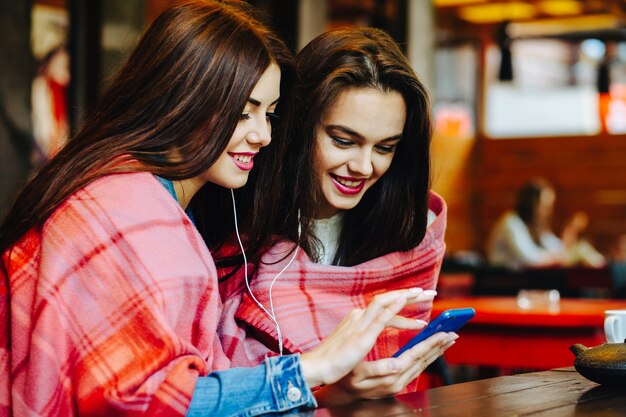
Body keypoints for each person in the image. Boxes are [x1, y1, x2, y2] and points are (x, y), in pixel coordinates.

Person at [0, 3, 444, 416]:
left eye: (269, 115)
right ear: (183, 99)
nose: (263, 136)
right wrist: (310, 371)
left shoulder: (153, 200)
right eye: (243, 113)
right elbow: (150, 400)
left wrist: (331, 388)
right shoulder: (138, 213)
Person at [216, 27, 454, 403]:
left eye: (385, 148)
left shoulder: (413, 230)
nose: (363, 166)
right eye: (343, 141)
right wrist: (332, 393)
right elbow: (208, 387)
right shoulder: (232, 214)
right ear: (296, 127)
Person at [487, 178, 605, 269]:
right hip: (503, 283)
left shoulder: (535, 227)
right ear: (531, 204)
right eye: (544, 206)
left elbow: (559, 249)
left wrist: (572, 231)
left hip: (525, 282)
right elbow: (530, 259)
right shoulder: (511, 222)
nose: (548, 211)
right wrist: (568, 255)